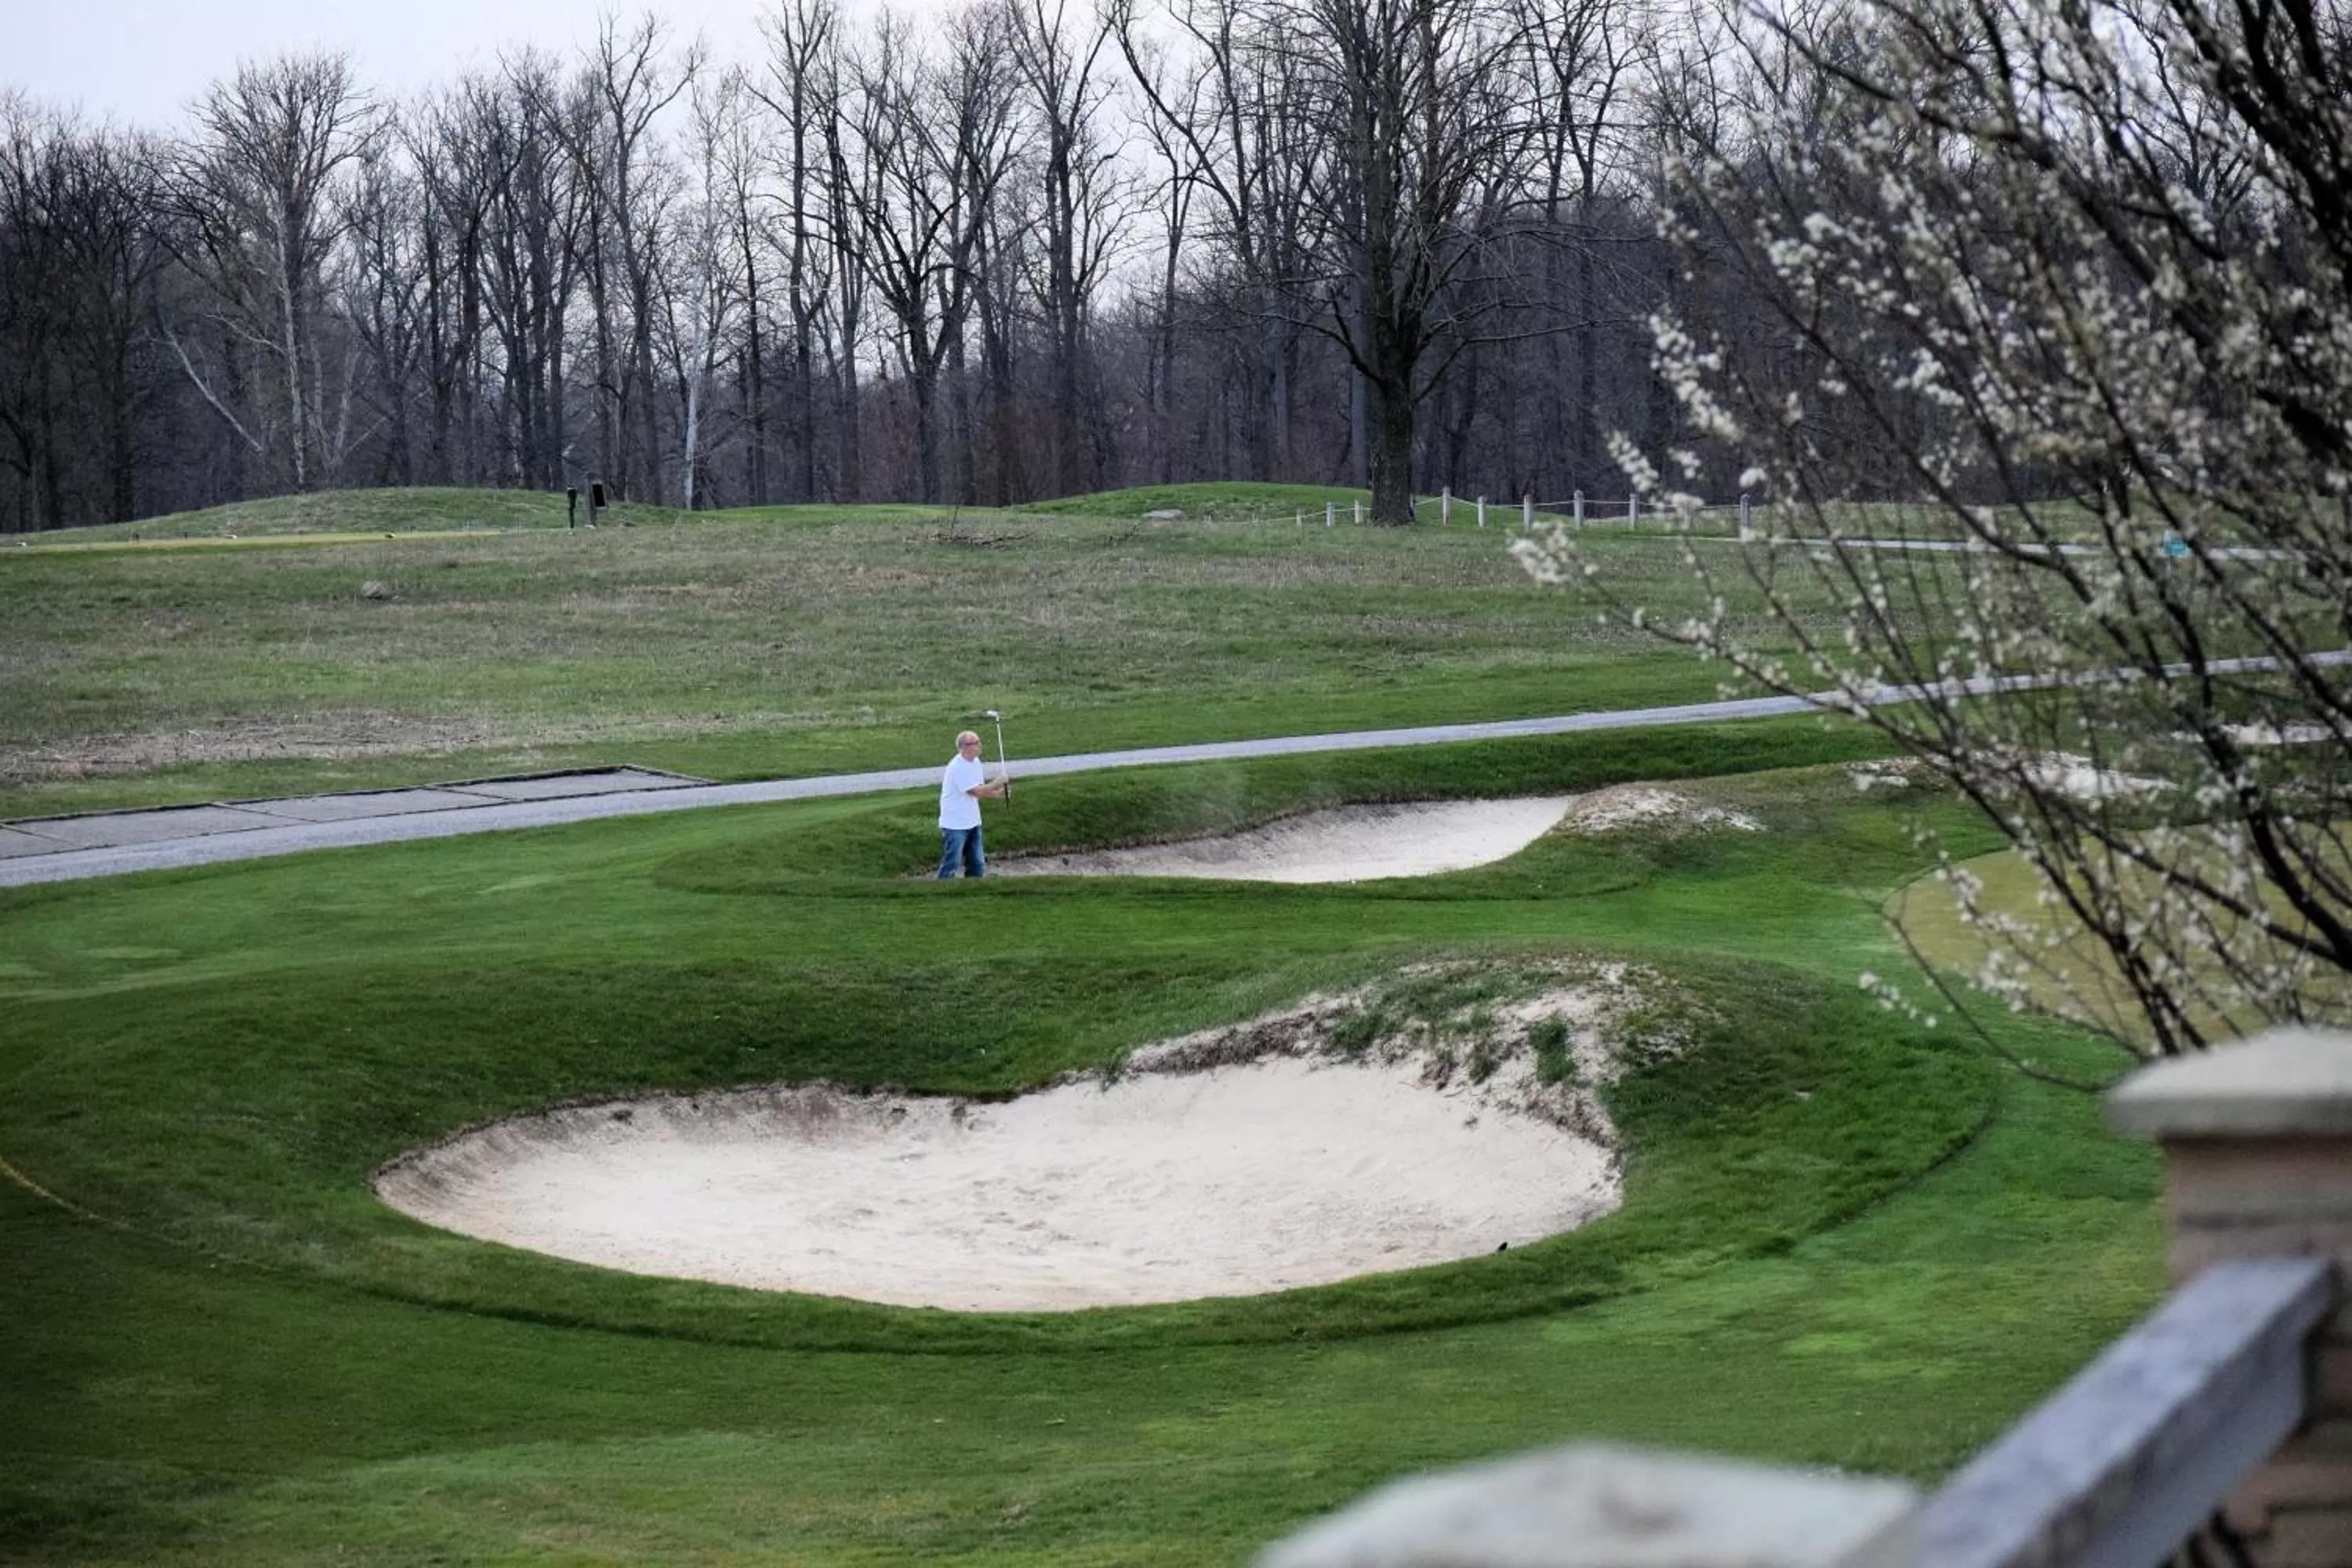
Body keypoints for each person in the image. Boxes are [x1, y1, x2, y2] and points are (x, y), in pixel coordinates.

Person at [937, 728, 1009, 878]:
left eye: (978, 742)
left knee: (977, 863)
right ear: (964, 747)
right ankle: (941, 890)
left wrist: (998, 795)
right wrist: (997, 782)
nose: (979, 745)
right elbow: (975, 792)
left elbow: (980, 790)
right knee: (952, 862)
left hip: (973, 821)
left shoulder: (975, 762)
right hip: (954, 824)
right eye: (975, 743)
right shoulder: (957, 766)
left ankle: (973, 890)